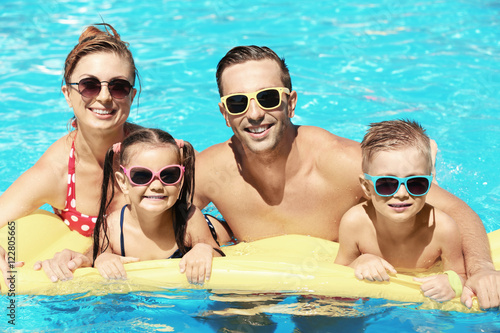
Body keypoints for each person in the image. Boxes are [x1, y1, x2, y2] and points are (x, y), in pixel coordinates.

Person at [194, 45, 500, 309]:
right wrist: (205, 240)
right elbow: (166, 209)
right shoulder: (212, 169)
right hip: (256, 287)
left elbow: (455, 210)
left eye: (269, 98)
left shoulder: (340, 162)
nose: (255, 113)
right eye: (238, 102)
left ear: (291, 102)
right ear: (224, 113)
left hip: (336, 296)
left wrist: (482, 269)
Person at [0, 23, 140, 287]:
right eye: (89, 85)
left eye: (119, 86)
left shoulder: (157, 155)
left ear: (131, 96)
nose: (105, 97)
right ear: (68, 94)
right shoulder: (58, 170)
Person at [334, 119, 465, 302]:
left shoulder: (443, 228)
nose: (402, 194)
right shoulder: (355, 223)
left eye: (417, 183)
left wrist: (451, 281)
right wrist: (359, 262)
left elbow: (461, 273)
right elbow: (337, 271)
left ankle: (430, 171)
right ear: (366, 187)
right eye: (386, 184)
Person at [92, 128, 223, 284]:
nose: (156, 186)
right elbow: (96, 260)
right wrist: (103, 259)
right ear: (122, 182)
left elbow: (219, 256)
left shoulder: (190, 219)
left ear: (180, 180)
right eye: (141, 176)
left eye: (169, 175)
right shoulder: (111, 228)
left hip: (212, 228)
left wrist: (204, 248)